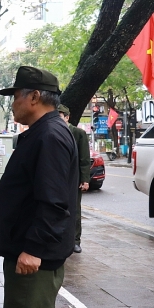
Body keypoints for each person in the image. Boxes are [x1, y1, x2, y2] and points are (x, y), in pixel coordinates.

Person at [0, 66, 78, 308]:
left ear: (34, 97)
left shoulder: (49, 136)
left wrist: (33, 249)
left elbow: (53, 201)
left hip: (34, 256)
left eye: (16, 96)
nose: (13, 104)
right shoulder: (43, 131)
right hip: (34, 251)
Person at [58, 104, 90, 253]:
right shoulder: (53, 132)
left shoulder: (78, 133)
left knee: (75, 209)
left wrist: (85, 180)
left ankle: (75, 240)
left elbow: (84, 158)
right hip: (57, 178)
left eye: (60, 116)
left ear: (67, 117)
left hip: (74, 178)